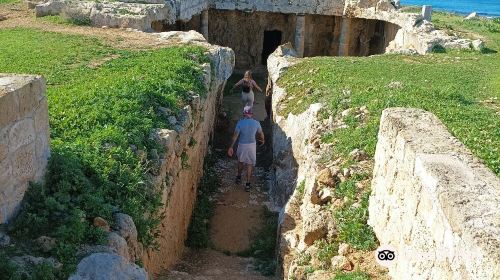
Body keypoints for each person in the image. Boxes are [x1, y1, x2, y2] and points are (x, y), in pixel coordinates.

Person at [227, 106, 265, 191]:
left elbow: (235, 136)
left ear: (244, 113)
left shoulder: (240, 123)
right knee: (250, 164)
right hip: (252, 146)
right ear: (251, 114)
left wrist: (231, 147)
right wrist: (262, 140)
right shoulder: (256, 123)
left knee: (241, 162)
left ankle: (239, 177)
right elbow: (261, 133)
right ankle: (247, 184)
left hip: (242, 145)